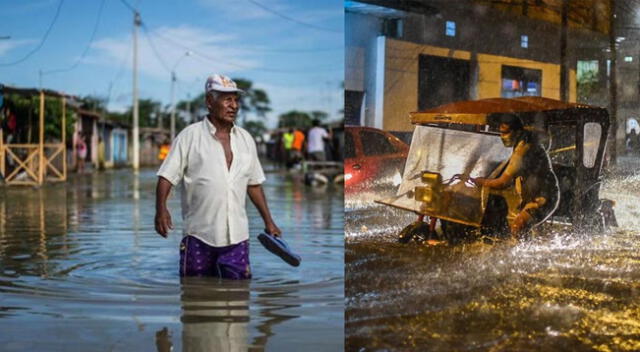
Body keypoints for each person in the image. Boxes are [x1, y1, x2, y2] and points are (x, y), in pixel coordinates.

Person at [154, 74, 282, 279]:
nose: (234, 106)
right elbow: (166, 177)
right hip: (198, 235)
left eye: (236, 100)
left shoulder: (246, 139)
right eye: (227, 99)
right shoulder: (189, 136)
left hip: (237, 237)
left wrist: (269, 221)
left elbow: (254, 185)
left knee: (239, 296)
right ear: (209, 102)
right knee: (194, 293)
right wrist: (161, 209)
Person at [472, 114, 559, 238]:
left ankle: (521, 256)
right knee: (526, 234)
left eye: (506, 133)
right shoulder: (524, 138)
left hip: (543, 198)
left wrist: (479, 181)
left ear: (517, 132)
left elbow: (502, 183)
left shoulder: (523, 149)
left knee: (517, 228)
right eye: (501, 133)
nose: (502, 137)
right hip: (531, 196)